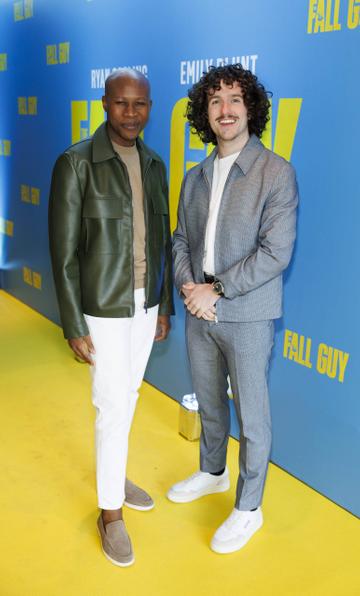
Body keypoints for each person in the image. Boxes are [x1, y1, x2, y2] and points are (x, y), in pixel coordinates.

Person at [169, 64, 298, 554]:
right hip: (198, 309)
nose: (225, 110)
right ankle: (212, 471)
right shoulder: (196, 175)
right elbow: (182, 239)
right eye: (215, 101)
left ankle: (249, 508)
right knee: (209, 399)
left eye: (234, 100)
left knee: (253, 412)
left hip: (246, 313)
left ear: (251, 109)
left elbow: (275, 252)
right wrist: (189, 286)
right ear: (206, 112)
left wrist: (216, 289)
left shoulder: (276, 172)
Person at [49, 69, 174, 567]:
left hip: (145, 304)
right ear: (105, 104)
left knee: (129, 396)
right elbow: (62, 253)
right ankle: (110, 513)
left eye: (140, 104)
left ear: (149, 106)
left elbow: (162, 242)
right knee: (110, 403)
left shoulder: (156, 164)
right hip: (100, 305)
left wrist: (162, 304)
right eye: (121, 103)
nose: (131, 113)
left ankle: (113, 469)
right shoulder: (76, 162)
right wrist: (73, 322)